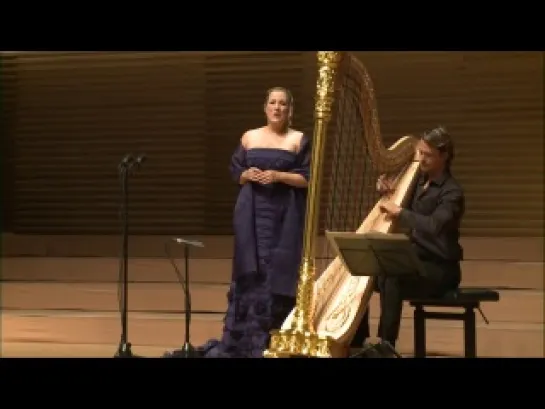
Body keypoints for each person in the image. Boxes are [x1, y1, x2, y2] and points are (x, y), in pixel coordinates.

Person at [196, 87, 311, 358]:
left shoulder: (298, 139)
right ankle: (242, 342)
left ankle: (271, 342)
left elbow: (307, 178)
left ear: (290, 110)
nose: (277, 107)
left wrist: (278, 176)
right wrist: (246, 174)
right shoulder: (249, 137)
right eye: (272, 102)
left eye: (283, 104)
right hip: (250, 214)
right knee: (249, 270)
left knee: (277, 273)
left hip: (283, 216)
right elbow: (235, 170)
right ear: (265, 107)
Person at [350, 126, 465, 357]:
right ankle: (357, 341)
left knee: (392, 276)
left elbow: (433, 226)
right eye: (419, 153)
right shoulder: (416, 182)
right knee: (363, 273)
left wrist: (400, 212)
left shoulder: (452, 192)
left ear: (443, 156)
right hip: (415, 262)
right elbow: (396, 200)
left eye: (427, 154)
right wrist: (386, 190)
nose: (420, 159)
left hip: (440, 268)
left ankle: (386, 345)